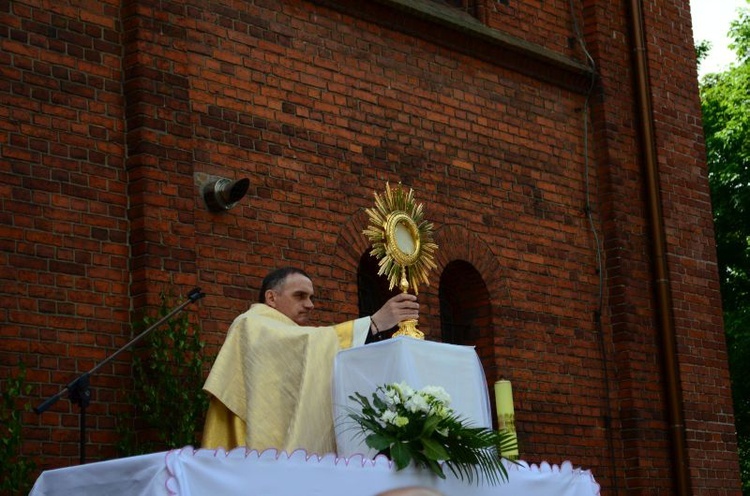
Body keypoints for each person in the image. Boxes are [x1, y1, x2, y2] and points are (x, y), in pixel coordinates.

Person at [201, 267, 419, 455]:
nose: (310, 304)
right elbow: (306, 343)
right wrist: (374, 323)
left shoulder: (282, 331)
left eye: (311, 297)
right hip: (251, 447)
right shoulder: (251, 323)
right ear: (271, 298)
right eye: (300, 296)